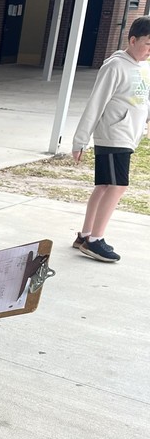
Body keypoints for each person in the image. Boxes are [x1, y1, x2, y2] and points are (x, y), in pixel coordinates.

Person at [72, 15, 150, 263]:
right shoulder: (115, 66)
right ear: (133, 39)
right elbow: (96, 103)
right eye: (148, 43)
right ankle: (96, 241)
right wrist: (80, 140)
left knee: (105, 185)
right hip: (114, 135)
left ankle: (85, 235)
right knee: (118, 186)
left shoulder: (141, 67)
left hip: (126, 136)